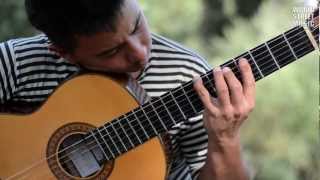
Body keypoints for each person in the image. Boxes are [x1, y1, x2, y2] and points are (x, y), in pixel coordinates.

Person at [0, 0, 255, 179]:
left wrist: (225, 138)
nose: (140, 53)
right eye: (111, 51)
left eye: (136, 26)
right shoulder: (15, 63)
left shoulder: (187, 75)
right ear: (62, 52)